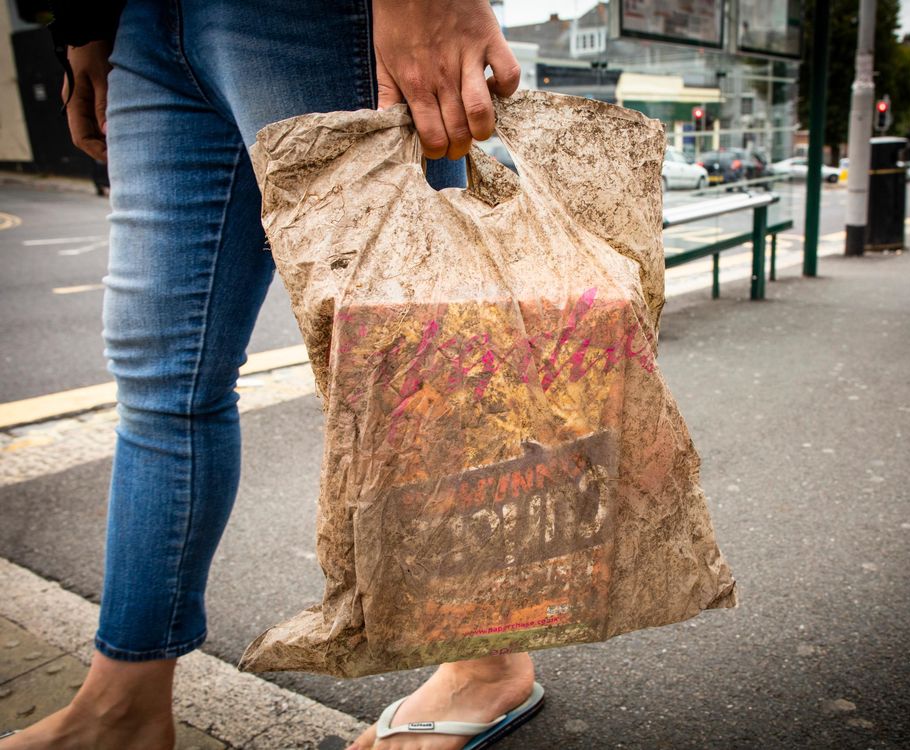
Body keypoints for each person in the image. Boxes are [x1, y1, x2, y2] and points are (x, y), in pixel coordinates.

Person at [5, 2, 538, 748]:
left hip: (310, 15)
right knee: (163, 377)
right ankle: (122, 707)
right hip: (140, 25)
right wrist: (81, 29)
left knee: (409, 362)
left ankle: (488, 663)